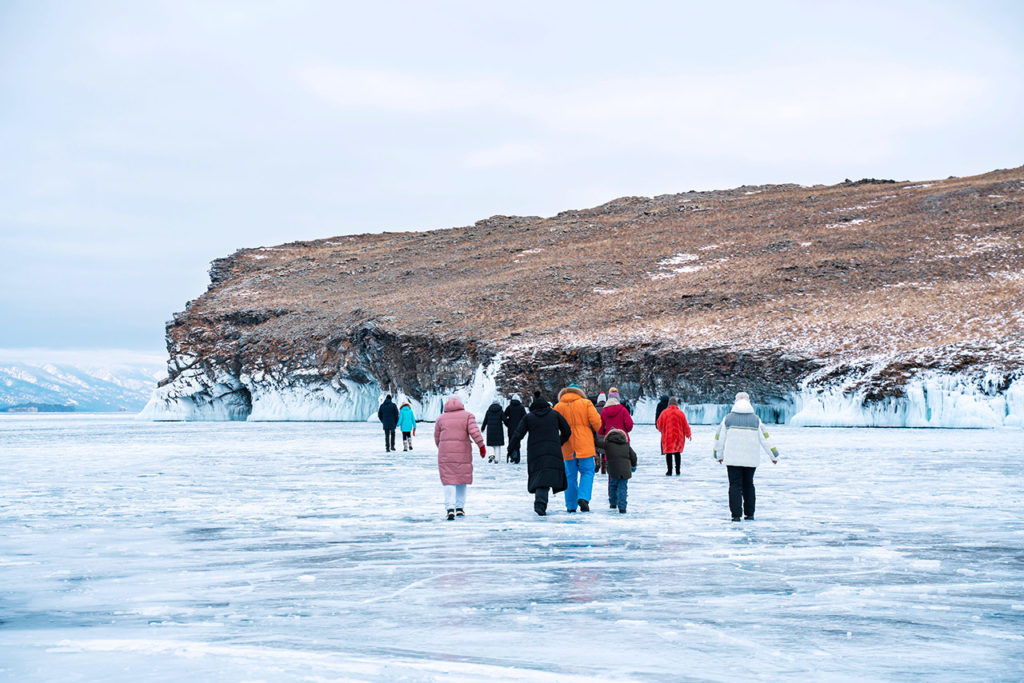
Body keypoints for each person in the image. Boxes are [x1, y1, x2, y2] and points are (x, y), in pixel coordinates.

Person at [713, 392, 780, 521]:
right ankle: (750, 514)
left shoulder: (727, 419)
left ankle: (736, 515)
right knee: (749, 484)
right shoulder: (756, 420)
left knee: (734, 485)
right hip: (751, 459)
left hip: (732, 459)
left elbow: (719, 438)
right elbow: (765, 438)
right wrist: (773, 455)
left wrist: (718, 455)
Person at [508, 395, 571, 515]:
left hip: (535, 451)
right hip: (553, 450)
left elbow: (518, 434)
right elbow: (567, 430)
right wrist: (559, 441)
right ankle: (540, 504)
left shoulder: (529, 417)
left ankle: (540, 503)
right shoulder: (554, 415)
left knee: (540, 475)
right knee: (546, 475)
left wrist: (510, 448)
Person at [434, 396, 486, 520]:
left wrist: (442, 448)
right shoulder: (468, 416)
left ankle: (450, 508)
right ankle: (460, 508)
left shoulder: (441, 418)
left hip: (445, 453)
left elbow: (437, 437)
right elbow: (475, 432)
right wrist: (481, 446)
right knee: (462, 480)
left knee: (448, 480)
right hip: (463, 452)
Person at [554, 383, 603, 512]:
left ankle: (571, 506)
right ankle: (583, 497)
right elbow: (597, 424)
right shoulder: (586, 403)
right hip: (584, 444)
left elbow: (554, 426)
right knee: (587, 472)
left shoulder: (558, 406)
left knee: (570, 476)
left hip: (567, 445)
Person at [600, 428, 637, 513]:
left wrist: (593, 433)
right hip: (625, 470)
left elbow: (597, 443)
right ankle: (622, 507)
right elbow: (633, 456)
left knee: (613, 486)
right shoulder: (626, 445)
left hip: (613, 470)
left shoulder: (608, 444)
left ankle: (613, 504)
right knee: (622, 488)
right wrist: (634, 465)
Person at [597, 393, 633, 475]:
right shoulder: (623, 410)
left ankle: (611, 483)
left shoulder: (604, 412)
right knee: (624, 460)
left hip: (609, 439)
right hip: (623, 438)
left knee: (611, 463)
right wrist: (625, 430)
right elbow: (629, 425)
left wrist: (604, 432)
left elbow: (600, 429)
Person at [656, 396, 692, 475]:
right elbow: (685, 425)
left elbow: (659, 425)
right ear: (676, 404)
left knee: (668, 453)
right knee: (677, 453)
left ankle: (669, 471)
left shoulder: (664, 413)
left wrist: (662, 430)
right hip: (678, 437)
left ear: (669, 404)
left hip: (667, 436)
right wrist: (688, 434)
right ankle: (678, 470)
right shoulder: (681, 413)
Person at [502, 395, 527, 463]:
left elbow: (504, 416)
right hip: (519, 428)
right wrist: (523, 425)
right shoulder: (521, 407)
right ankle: (517, 457)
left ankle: (512, 456)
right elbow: (525, 417)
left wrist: (507, 423)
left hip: (511, 428)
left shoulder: (509, 407)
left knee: (511, 441)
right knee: (517, 442)